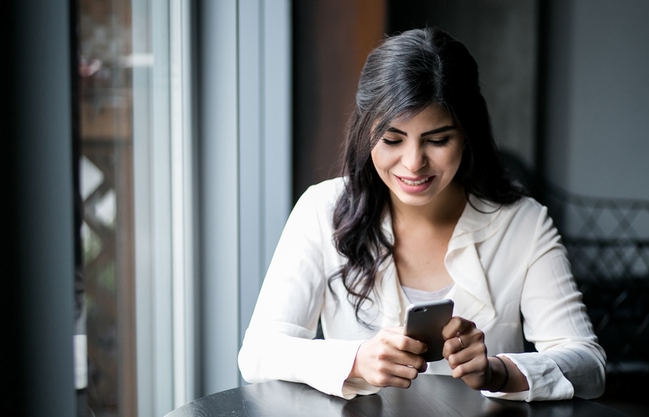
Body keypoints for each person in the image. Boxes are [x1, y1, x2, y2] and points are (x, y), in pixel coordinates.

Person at [237, 27, 606, 401]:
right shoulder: (322, 210)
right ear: (366, 133)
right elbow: (257, 355)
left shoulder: (523, 224)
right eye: (393, 140)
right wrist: (356, 360)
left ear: (466, 134)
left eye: (438, 140)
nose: (414, 164)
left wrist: (499, 371)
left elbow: (589, 364)